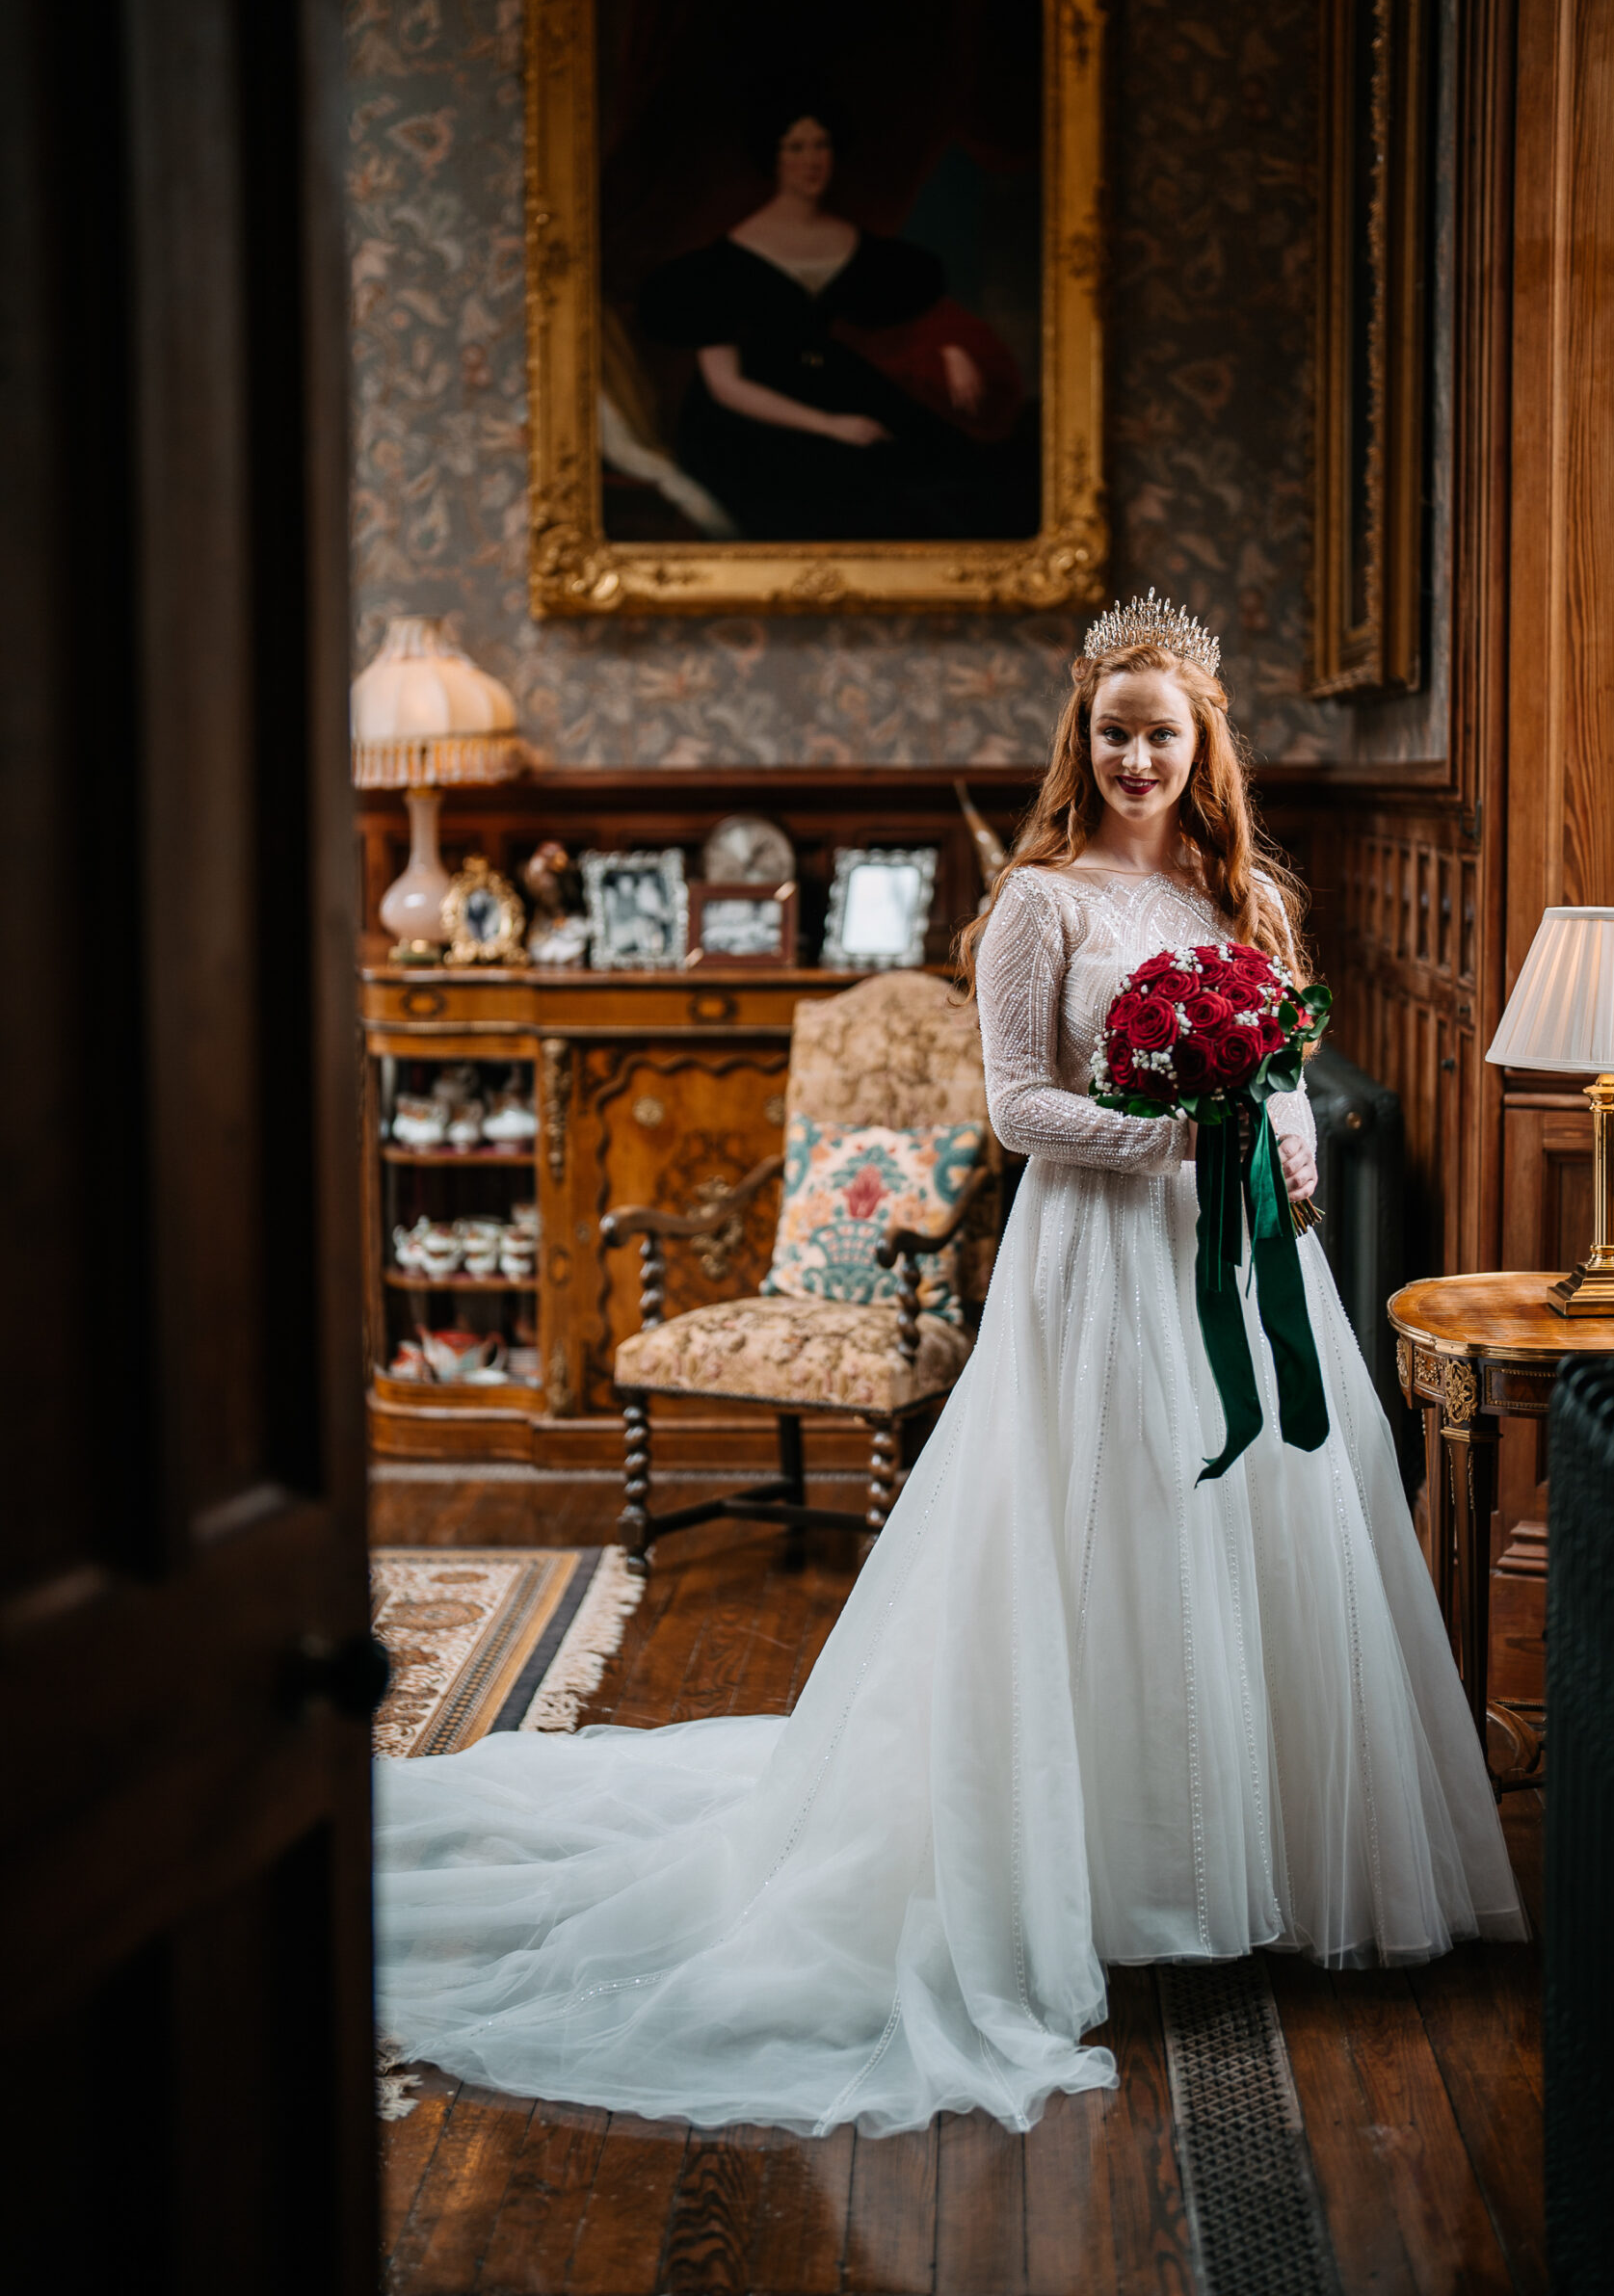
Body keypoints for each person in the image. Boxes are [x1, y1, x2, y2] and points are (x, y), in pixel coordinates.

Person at [375, 594, 1523, 2139]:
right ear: (1082, 740)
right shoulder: (1037, 901)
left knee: (1245, 1532)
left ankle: (1216, 1853)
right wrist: (1173, 1135)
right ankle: (1067, 1861)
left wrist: (1284, 1144)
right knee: (1091, 1532)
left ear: (1200, 749)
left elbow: (1289, 1068)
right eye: (1111, 733)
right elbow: (1016, 1108)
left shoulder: (1235, 889)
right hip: (1096, 1258)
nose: (1132, 756)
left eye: (1158, 734)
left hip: (1239, 1253)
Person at [634, 97, 1035, 541]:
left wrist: (952, 348)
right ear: (773, 158)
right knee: (853, 502)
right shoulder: (720, 265)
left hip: (842, 391)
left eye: (821, 146)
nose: (812, 160)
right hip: (752, 425)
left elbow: (912, 312)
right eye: (796, 147)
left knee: (969, 484)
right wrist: (830, 426)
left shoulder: (862, 247)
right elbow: (726, 386)